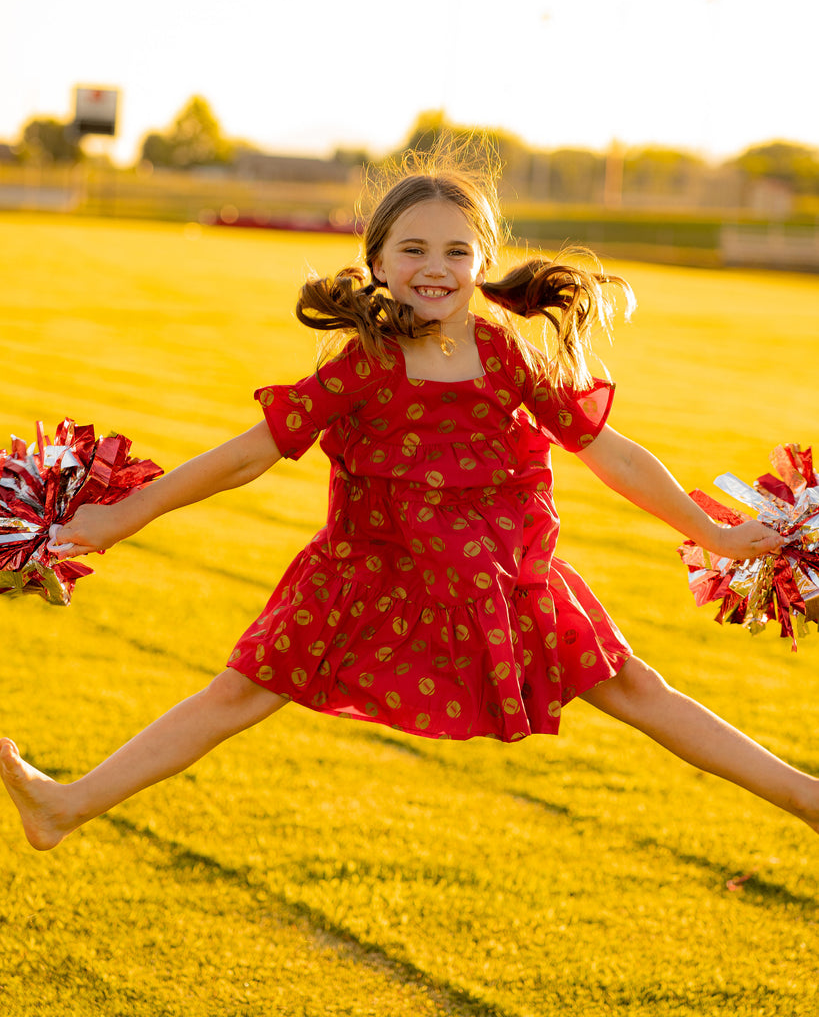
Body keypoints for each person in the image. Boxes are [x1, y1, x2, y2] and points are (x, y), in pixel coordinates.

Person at [2, 155, 818, 853]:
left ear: (483, 261)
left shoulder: (506, 355)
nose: (436, 265)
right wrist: (115, 518)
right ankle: (64, 805)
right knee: (235, 696)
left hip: (502, 582)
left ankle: (806, 801)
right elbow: (246, 456)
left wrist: (712, 529)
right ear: (380, 261)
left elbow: (609, 452)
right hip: (366, 578)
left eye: (456, 250)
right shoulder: (362, 364)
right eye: (414, 248)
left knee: (639, 690)